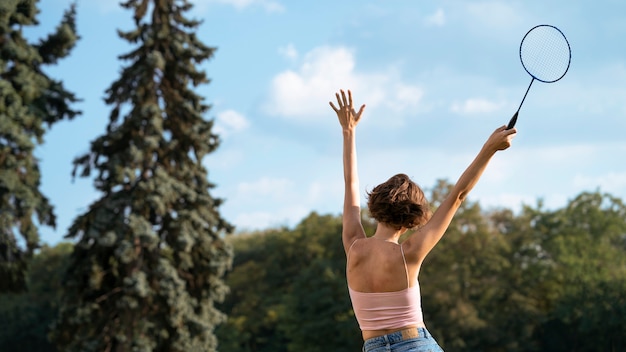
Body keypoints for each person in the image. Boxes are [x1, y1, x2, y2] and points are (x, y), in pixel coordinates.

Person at [330, 89, 517, 352]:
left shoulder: (353, 246)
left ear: (373, 206)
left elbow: (350, 184)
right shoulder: (409, 253)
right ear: (411, 222)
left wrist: (348, 132)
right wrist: (489, 149)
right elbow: (458, 196)